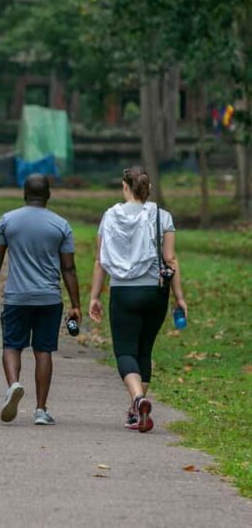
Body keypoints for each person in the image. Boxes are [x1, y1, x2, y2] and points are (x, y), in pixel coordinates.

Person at [89, 167, 187, 433]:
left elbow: (100, 260)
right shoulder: (162, 216)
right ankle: (135, 413)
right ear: (148, 189)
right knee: (144, 350)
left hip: (123, 291)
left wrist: (95, 296)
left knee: (125, 351)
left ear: (124, 187)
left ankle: (137, 400)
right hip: (156, 291)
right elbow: (171, 259)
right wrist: (179, 298)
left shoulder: (109, 216)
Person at [0, 174, 81, 426]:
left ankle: (14, 384)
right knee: (43, 350)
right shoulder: (61, 225)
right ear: (48, 195)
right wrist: (76, 304)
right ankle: (40, 410)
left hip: (17, 296)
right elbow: (69, 269)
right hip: (49, 297)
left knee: (12, 345)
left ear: (24, 194)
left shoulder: (7, 221)